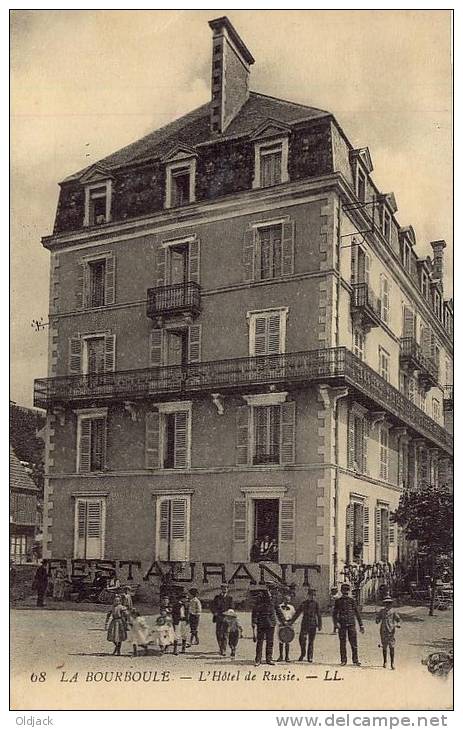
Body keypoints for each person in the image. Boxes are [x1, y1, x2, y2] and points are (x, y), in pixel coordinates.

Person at [251, 587, 285, 667]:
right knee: (260, 642)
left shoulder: (274, 598)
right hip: (261, 622)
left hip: (271, 623)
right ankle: (258, 659)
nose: (276, 591)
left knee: (270, 642)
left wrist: (283, 621)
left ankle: (269, 659)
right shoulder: (260, 597)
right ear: (270, 589)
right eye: (274, 589)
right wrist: (253, 621)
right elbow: (255, 610)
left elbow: (278, 610)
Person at [333, 583, 364, 666]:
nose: (345, 593)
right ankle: (343, 660)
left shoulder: (352, 601)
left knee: (354, 643)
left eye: (347, 591)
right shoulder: (338, 601)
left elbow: (357, 613)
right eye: (344, 591)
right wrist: (336, 624)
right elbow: (334, 614)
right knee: (342, 643)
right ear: (342, 591)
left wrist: (361, 625)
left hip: (351, 624)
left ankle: (355, 660)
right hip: (342, 624)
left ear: (348, 591)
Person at [290, 588, 322, 663]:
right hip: (305, 624)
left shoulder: (316, 604)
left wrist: (320, 625)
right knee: (302, 640)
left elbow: (319, 615)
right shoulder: (304, 603)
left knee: (311, 641)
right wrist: (291, 622)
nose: (312, 597)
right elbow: (298, 613)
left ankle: (310, 657)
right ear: (308, 595)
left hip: (313, 624)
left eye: (314, 596)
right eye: (311, 595)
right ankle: (303, 653)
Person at [376, 595, 401, 670]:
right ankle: (385, 661)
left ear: (391, 604)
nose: (387, 605)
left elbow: (398, 619)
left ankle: (392, 663)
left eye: (389, 603)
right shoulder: (382, 611)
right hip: (383, 631)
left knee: (392, 647)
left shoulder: (393, 611)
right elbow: (377, 620)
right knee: (384, 647)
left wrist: (398, 624)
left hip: (391, 631)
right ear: (384, 604)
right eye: (386, 603)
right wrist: (377, 619)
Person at [211, 583, 233, 656]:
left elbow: (232, 608)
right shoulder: (217, 597)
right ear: (221, 589)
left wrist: (229, 613)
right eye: (223, 588)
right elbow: (212, 606)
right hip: (218, 618)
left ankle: (223, 649)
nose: (225, 589)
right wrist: (214, 612)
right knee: (218, 634)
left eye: (226, 588)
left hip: (226, 618)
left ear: (228, 589)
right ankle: (220, 647)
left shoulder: (230, 598)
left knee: (225, 634)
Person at [277, 592, 296, 662]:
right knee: (281, 640)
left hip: (289, 625)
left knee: (288, 640)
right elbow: (277, 616)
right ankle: (281, 656)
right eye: (285, 600)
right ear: (283, 599)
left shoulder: (291, 608)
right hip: (281, 625)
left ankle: (287, 657)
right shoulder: (279, 607)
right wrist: (280, 623)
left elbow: (294, 616)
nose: (286, 602)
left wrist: (291, 623)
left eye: (288, 600)